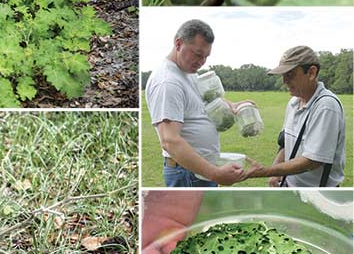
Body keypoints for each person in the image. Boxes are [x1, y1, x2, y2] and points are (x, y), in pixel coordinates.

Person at [145, 19, 251, 187]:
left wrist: (232, 105)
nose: (202, 62)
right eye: (198, 54)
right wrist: (215, 174)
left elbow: (204, 104)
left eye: (206, 56)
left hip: (200, 170)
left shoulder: (188, 72)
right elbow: (169, 140)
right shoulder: (168, 82)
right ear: (178, 44)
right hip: (187, 173)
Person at [245, 45, 346, 187]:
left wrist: (266, 171)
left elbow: (312, 161)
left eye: (290, 74)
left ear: (311, 72)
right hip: (291, 186)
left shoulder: (326, 106)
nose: (284, 81)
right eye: (283, 75)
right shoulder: (293, 102)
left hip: (316, 195)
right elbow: (287, 143)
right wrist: (276, 172)